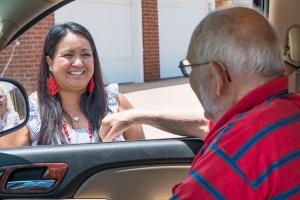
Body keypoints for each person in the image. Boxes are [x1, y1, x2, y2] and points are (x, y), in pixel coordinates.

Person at [99, 7, 300, 199]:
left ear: (216, 76)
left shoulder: (238, 150)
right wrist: (137, 115)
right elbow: (206, 124)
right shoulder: (289, 108)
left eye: (191, 68)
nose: (191, 77)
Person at [0, 22, 145, 147]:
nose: (78, 63)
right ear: (50, 62)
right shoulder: (31, 112)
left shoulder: (115, 102)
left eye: (85, 54)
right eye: (68, 55)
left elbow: (143, 159)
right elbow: (8, 169)